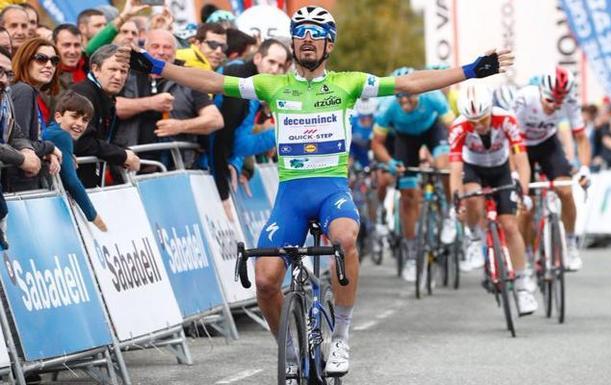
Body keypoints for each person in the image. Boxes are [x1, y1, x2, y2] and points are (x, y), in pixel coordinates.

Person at [130, 5, 512, 376]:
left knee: (345, 239)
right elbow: (213, 82)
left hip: (331, 190)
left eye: (316, 36)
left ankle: (342, 335)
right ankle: (290, 346)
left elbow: (410, 82)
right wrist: (161, 67)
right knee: (264, 281)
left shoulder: (349, 83)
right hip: (291, 197)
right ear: (293, 44)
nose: (307, 41)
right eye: (300, 36)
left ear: (329, 45)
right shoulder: (271, 84)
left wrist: (472, 70)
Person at [449, 82, 538, 315]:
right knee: (473, 200)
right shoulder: (459, 127)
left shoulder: (506, 119)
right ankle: (475, 239)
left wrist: (524, 191)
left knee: (510, 225)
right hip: (473, 168)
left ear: (491, 109)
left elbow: (521, 159)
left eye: (483, 119)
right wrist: (456, 198)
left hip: (500, 169)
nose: (478, 125)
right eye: (473, 121)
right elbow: (456, 169)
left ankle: (522, 287)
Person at [371, 66, 455, 281]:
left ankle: (448, 214)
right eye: (400, 97)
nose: (404, 101)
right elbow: (377, 144)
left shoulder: (433, 96)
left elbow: (454, 128)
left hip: (432, 131)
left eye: (409, 96)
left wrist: (452, 157)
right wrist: (390, 163)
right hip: (405, 139)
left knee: (444, 165)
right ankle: (410, 255)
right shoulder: (388, 106)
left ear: (418, 90)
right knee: (408, 195)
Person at [513, 66, 590, 271]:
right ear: (540, 91)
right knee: (526, 205)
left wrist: (584, 168)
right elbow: (512, 141)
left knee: (565, 190)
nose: (554, 106)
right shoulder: (524, 99)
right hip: (522, 147)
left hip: (548, 144)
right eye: (550, 101)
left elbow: (581, 138)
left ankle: (571, 245)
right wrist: (515, 174)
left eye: (559, 103)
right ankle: (528, 254)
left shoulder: (571, 101)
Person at [115, 29, 223, 167]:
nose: (161, 52)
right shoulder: (128, 73)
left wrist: (180, 126)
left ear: (176, 52)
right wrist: (150, 103)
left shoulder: (189, 77)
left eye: (167, 47)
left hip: (177, 168)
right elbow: (114, 107)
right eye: (155, 46)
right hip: (129, 166)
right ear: (145, 50)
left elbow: (215, 120)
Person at [204, 38, 289, 202]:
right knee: (285, 131)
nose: (275, 69)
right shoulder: (239, 80)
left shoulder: (256, 86)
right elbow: (220, 138)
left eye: (280, 66)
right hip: (210, 161)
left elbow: (238, 134)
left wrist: (237, 164)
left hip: (226, 157)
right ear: (257, 58)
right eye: (271, 62)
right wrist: (223, 195)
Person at [72, 44, 140, 187]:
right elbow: (82, 142)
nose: (118, 76)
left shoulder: (107, 96)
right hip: (74, 182)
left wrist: (123, 153)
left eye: (123, 71)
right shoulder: (82, 95)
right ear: (96, 69)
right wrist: (122, 155)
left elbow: (106, 140)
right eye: (113, 69)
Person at [43, 91, 107, 231]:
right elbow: (72, 181)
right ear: (58, 117)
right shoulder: (62, 136)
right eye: (74, 117)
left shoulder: (52, 132)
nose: (79, 124)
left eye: (84, 120)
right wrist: (94, 217)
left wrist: (67, 155)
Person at [7, 37, 62, 192]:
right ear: (25, 61)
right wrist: (49, 147)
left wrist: (46, 152)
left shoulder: (27, 91)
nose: (49, 65)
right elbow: (19, 144)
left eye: (54, 60)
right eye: (41, 59)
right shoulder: (23, 91)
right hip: (17, 186)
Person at [0, 45, 42, 246]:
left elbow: (14, 129)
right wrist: (22, 159)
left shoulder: (5, 96)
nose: (4, 80)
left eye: (8, 74)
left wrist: (27, 149)